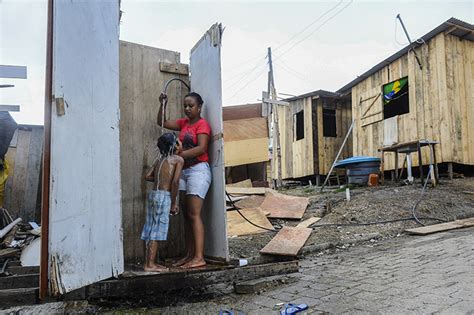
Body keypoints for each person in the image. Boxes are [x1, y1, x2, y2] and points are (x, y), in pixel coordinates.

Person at [157, 91, 212, 269]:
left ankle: (199, 256)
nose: (188, 109)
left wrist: (178, 155)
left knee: (194, 214)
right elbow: (162, 122)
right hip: (184, 172)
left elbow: (201, 148)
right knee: (186, 217)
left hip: (198, 171)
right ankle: (190, 255)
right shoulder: (183, 123)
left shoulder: (203, 125)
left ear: (199, 107)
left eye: (191, 106)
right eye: (185, 106)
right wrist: (162, 104)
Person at [141, 132, 184, 272]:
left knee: (150, 229)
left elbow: (147, 176)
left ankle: (149, 262)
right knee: (156, 231)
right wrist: (174, 203)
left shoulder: (159, 160)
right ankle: (150, 265)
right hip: (163, 197)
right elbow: (176, 182)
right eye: (178, 141)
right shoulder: (177, 160)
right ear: (175, 145)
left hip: (153, 195)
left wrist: (162, 180)